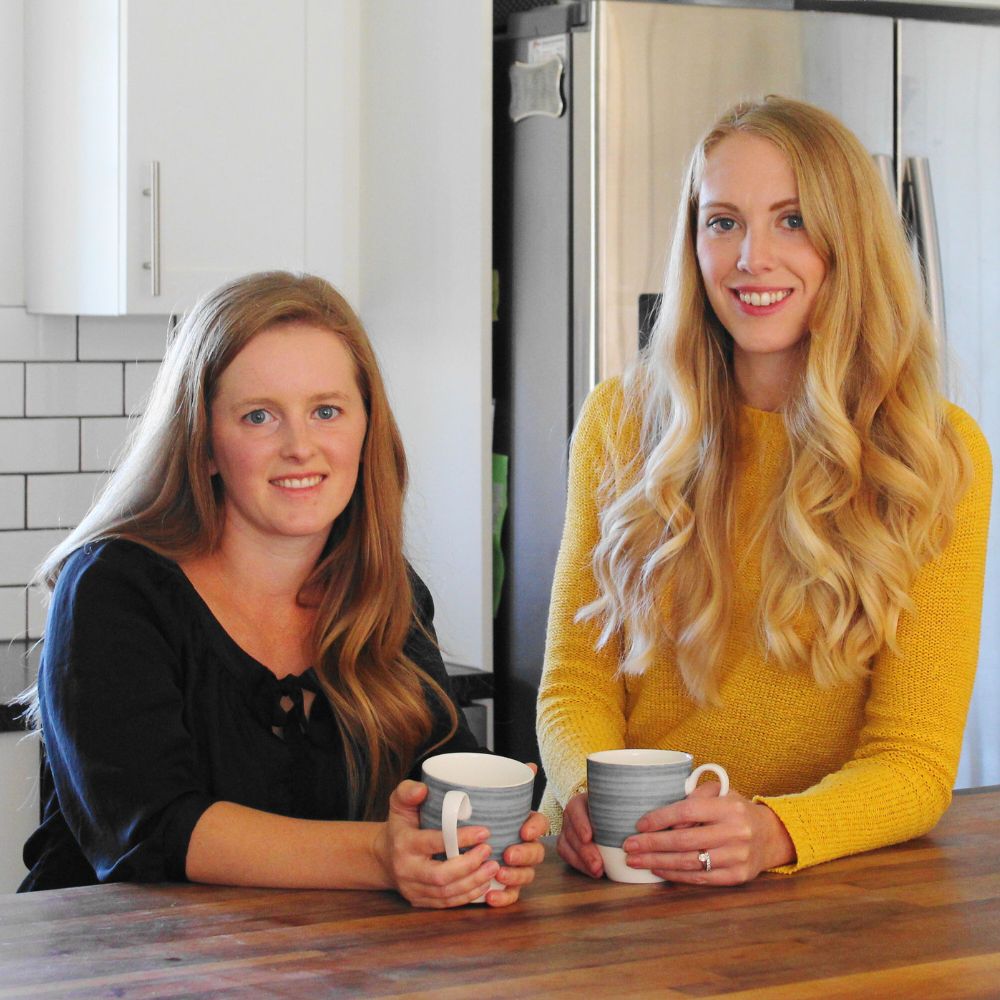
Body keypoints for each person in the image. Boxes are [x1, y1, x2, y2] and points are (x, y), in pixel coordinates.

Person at [537, 96, 992, 886]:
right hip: (627, 879)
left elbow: (913, 764)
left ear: (848, 241)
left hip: (820, 899)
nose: (752, 257)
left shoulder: (936, 453)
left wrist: (776, 831)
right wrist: (583, 791)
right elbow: (576, 682)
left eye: (792, 220)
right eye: (723, 222)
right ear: (694, 243)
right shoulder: (619, 422)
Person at [20, 271, 546, 907]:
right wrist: (381, 854)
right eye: (259, 416)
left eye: (326, 411)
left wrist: (488, 842)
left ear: (366, 430)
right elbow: (151, 830)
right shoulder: (113, 588)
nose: (301, 446)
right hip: (115, 968)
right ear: (204, 445)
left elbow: (446, 778)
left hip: (326, 965)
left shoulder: (384, 594)